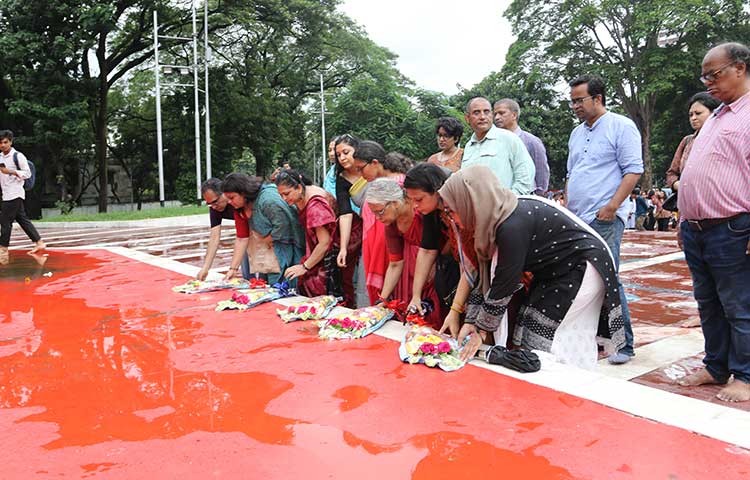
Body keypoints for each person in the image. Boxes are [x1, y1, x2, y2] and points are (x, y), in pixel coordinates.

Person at [439, 166, 625, 370]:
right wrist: (471, 322)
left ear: (470, 202)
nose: (452, 219)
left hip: (581, 267)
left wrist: (480, 331)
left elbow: (504, 283)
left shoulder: (510, 225)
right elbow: (487, 279)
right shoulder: (495, 219)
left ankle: (570, 390)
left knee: (554, 338)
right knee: (529, 328)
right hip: (555, 270)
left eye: (451, 211)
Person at [676, 42, 750, 403]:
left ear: (740, 67)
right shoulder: (719, 116)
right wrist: (684, 220)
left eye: (714, 74)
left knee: (739, 305)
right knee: (708, 303)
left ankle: (746, 375)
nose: (708, 83)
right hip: (697, 228)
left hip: (733, 227)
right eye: (705, 77)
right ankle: (716, 365)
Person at [566, 75, 643, 364]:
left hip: (605, 217)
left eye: (579, 100)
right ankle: (597, 338)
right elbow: (572, 173)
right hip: (579, 217)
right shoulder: (577, 133)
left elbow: (633, 170)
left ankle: (625, 345)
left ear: (598, 98)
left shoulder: (621, 126)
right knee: (582, 279)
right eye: (572, 101)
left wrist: (612, 206)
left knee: (608, 279)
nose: (575, 106)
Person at [365, 178, 441, 328]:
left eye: (380, 212)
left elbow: (441, 245)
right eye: (374, 214)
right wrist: (382, 300)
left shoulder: (422, 212)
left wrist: (435, 267)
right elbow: (395, 263)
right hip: (410, 275)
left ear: (395, 203)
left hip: (436, 271)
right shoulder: (391, 225)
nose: (378, 218)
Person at [351, 141, 411, 303]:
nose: (360, 175)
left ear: (375, 163)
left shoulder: (398, 187)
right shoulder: (373, 188)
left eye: (361, 168)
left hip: (399, 258)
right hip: (384, 254)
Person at [221, 173, 305, 285]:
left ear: (244, 193)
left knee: (286, 284)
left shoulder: (268, 200)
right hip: (270, 253)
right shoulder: (240, 208)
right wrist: (233, 269)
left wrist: (270, 238)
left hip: (288, 246)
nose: (229, 202)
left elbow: (284, 223)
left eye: (232, 198)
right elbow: (241, 238)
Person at [403, 163, 460, 321]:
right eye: (412, 200)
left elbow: (469, 262)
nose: (415, 206)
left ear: (437, 191)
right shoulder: (430, 209)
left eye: (419, 199)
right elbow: (427, 249)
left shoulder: (461, 207)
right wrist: (416, 296)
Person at [275, 169, 340, 299]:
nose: (284, 199)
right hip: (322, 247)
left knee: (320, 288)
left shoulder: (315, 206)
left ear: (299, 187)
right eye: (281, 195)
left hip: (333, 248)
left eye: (286, 194)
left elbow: (325, 242)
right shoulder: (302, 194)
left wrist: (305, 266)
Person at [461, 97, 535, 195]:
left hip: (506, 208)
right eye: (476, 112)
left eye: (486, 112)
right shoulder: (469, 146)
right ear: (467, 118)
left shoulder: (508, 139)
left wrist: (509, 202)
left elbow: (526, 176)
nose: (482, 117)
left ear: (491, 115)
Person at [0, 130, 45, 264]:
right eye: (0, 143)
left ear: (11, 142)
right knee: (22, 219)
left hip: (15, 193)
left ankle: (3, 249)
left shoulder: (18, 156)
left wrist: (12, 171)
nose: (3, 145)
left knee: (5, 222)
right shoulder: (0, 157)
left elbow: (27, 174)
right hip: (6, 193)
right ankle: (39, 242)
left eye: (5, 142)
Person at [665, 92, 722, 191]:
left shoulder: (724, 138)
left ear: (713, 113)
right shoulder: (687, 141)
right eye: (690, 115)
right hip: (688, 200)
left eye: (698, 113)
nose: (693, 118)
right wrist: (677, 184)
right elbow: (672, 173)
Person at [493, 98, 550, 195]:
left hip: (526, 198)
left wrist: (538, 195)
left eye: (501, 113)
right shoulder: (494, 142)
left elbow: (542, 173)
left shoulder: (531, 141)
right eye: (495, 114)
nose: (497, 117)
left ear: (514, 115)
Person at [196, 178, 249, 281]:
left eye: (215, 202)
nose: (214, 207)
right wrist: (205, 268)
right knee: (247, 269)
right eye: (210, 204)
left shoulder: (237, 201)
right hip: (243, 233)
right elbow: (214, 238)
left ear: (224, 193)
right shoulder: (214, 208)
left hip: (255, 229)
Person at [333, 134, 365, 305]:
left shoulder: (370, 168)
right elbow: (345, 213)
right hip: (366, 227)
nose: (342, 157)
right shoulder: (342, 179)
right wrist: (343, 248)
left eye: (346, 152)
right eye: (339, 155)